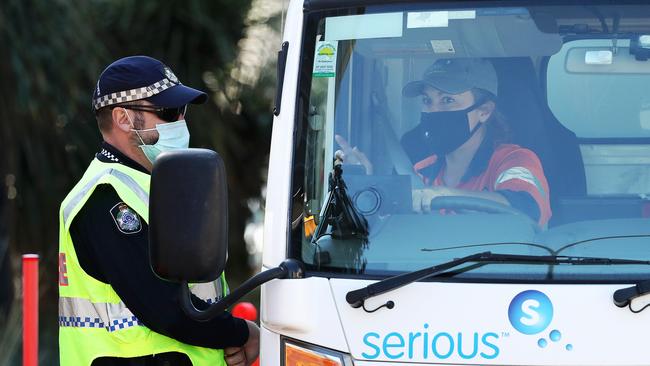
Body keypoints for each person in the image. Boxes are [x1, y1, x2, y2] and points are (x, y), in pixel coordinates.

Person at [58, 56, 259, 366]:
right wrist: (240, 333)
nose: (180, 121)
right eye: (167, 112)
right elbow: (165, 309)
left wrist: (223, 341)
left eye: (182, 111)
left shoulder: (154, 184)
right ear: (123, 118)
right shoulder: (103, 197)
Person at [337, 58, 551, 226]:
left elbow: (526, 207)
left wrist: (447, 195)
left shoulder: (515, 161)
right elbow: (385, 228)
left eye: (447, 100)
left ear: (484, 111)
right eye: (427, 101)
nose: (433, 111)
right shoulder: (421, 172)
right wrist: (363, 183)